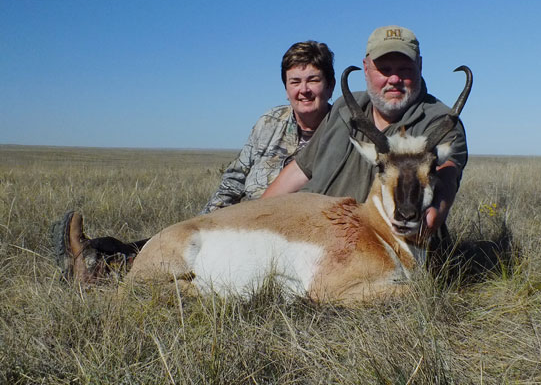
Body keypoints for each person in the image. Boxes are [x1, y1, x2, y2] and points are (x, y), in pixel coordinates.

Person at [53, 40, 335, 283]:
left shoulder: (341, 135)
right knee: (168, 243)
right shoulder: (270, 121)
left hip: (277, 239)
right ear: (286, 88)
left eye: (313, 80)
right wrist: (205, 219)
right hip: (230, 223)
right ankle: (95, 256)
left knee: (182, 261)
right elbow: (235, 176)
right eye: (295, 82)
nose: (304, 90)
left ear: (330, 85)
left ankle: (97, 266)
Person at [261, 25, 467, 236]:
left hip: (361, 244)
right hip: (302, 230)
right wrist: (256, 215)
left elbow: (448, 172)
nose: (394, 79)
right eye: (384, 69)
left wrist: (436, 210)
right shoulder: (344, 108)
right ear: (366, 68)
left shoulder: (442, 122)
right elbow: (300, 171)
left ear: (420, 66)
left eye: (404, 69)